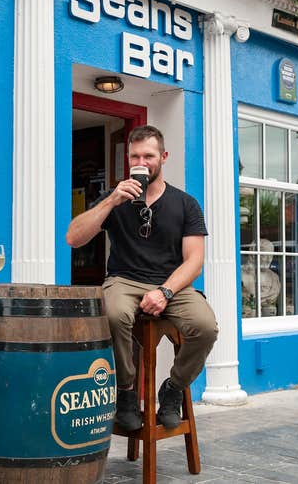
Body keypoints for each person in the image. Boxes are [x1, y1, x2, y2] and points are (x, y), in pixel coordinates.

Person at [65, 125, 218, 431]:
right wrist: (111, 200)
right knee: (113, 314)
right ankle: (126, 392)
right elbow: (73, 238)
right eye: (135, 156)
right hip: (124, 279)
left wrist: (165, 292)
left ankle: (173, 388)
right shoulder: (115, 198)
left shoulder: (185, 203)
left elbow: (195, 262)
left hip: (172, 283)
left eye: (148, 156)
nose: (141, 162)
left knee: (205, 328)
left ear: (163, 157)